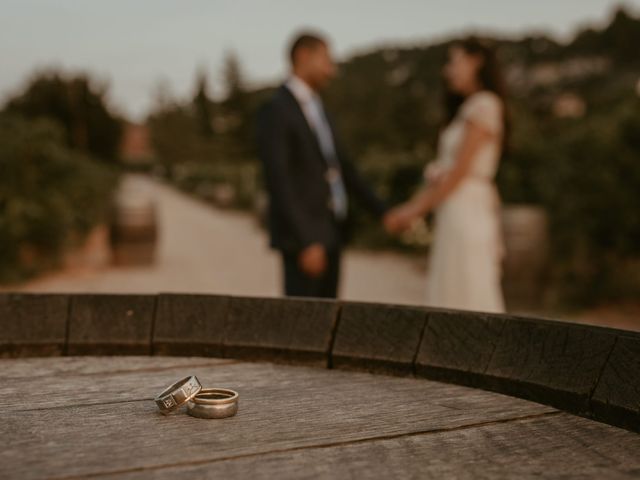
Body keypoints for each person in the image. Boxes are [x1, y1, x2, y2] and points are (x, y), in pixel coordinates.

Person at [257, 31, 388, 298]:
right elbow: (279, 180)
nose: (332, 69)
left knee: (329, 322)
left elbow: (344, 169)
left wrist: (382, 213)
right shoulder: (276, 110)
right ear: (304, 56)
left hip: (332, 232)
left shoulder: (320, 110)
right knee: (302, 327)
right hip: (305, 241)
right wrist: (307, 240)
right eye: (327, 59)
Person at [385, 38, 508, 313]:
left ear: (476, 61)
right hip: (455, 207)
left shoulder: (484, 105)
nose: (448, 70)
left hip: (467, 208)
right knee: (453, 283)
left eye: (454, 61)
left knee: (467, 285)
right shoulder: (468, 109)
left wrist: (413, 210)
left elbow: (458, 173)